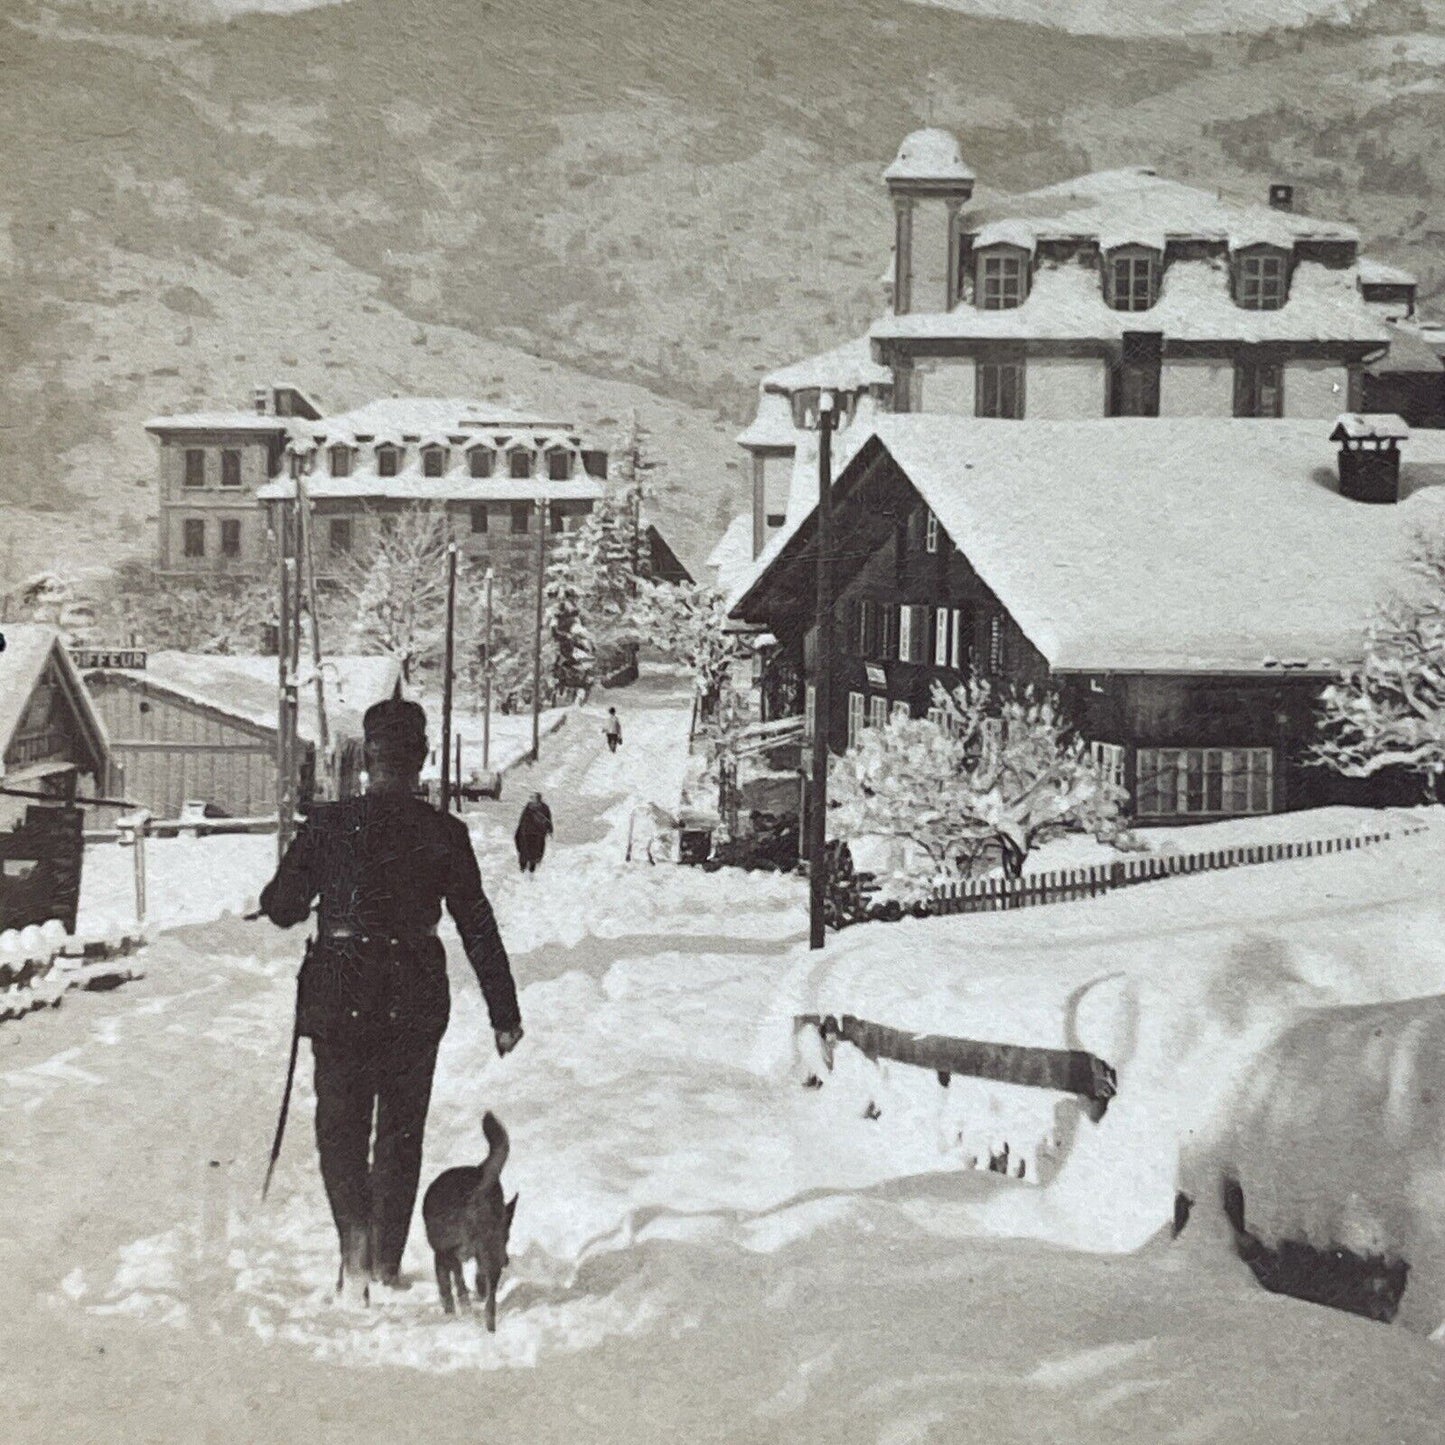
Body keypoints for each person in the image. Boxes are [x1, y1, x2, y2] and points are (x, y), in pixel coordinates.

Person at [259, 697, 523, 1305]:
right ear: (423, 760)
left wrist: (287, 893)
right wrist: (503, 1016)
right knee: (401, 1136)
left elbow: (284, 907)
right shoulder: (444, 832)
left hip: (341, 990)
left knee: (341, 1130)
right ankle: (384, 1260)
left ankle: (354, 1251)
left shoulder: (327, 824)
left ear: (365, 760)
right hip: (413, 994)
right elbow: (477, 926)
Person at [514, 792, 553, 874]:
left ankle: (525, 872)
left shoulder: (530, 807)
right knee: (533, 854)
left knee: (527, 854)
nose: (531, 799)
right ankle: (529, 872)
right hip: (534, 834)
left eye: (533, 798)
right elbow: (548, 820)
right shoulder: (543, 807)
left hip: (529, 834)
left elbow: (522, 821)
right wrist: (549, 829)